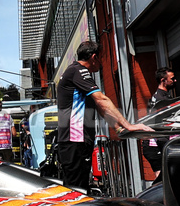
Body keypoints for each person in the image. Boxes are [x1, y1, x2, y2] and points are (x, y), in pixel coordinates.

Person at [55, 40, 153, 191]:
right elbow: (102, 99)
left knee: (79, 189)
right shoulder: (78, 71)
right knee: (75, 191)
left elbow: (99, 106)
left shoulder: (76, 72)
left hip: (77, 141)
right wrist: (129, 125)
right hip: (74, 140)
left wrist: (116, 126)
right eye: (100, 59)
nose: (100, 64)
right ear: (94, 57)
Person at [142, 67, 177, 177]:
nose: (175, 80)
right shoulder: (159, 99)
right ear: (163, 80)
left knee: (164, 177)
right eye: (172, 78)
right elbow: (158, 123)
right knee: (162, 178)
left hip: (159, 142)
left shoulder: (163, 96)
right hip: (154, 144)